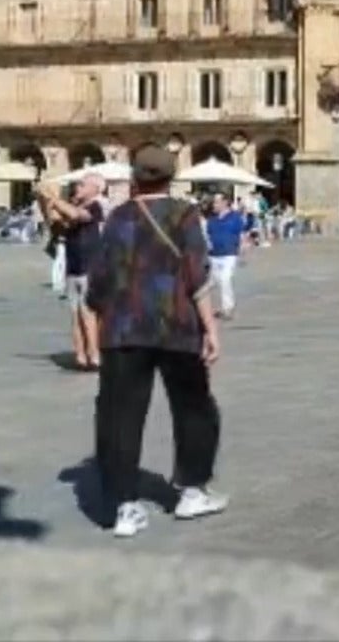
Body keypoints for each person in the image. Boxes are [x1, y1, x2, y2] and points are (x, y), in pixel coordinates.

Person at [86, 146, 226, 538]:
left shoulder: (116, 217)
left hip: (124, 329)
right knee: (194, 407)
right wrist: (211, 328)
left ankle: (125, 504)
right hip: (177, 325)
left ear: (135, 177)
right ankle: (192, 490)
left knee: (119, 414)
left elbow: (98, 280)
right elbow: (197, 275)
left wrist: (101, 311)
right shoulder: (185, 214)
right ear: (171, 175)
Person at [42, 175, 108, 371]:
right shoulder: (73, 205)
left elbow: (77, 216)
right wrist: (46, 202)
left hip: (92, 265)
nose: (77, 187)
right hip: (74, 266)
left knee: (89, 312)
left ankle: (94, 355)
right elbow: (57, 225)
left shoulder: (97, 205)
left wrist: (54, 199)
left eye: (82, 184)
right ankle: (81, 355)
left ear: (96, 188)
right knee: (75, 313)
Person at [203, 191, 248, 320]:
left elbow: (242, 233)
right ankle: (199, 307)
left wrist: (243, 248)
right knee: (209, 283)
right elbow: (207, 236)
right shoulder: (212, 219)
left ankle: (227, 308)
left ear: (225, 202)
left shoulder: (235, 217)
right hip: (213, 255)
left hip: (229, 254)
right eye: (214, 202)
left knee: (225, 279)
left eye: (216, 202)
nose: (214, 204)